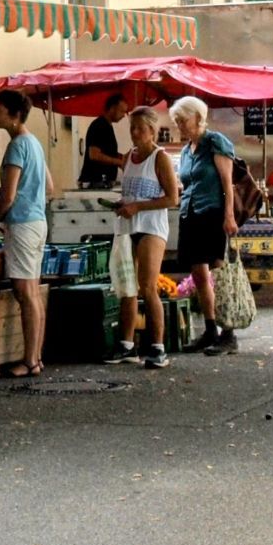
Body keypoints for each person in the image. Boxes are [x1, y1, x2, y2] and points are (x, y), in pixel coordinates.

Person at [104, 106, 180, 369]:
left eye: (139, 128)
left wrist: (138, 207)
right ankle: (126, 344)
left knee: (147, 286)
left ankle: (157, 347)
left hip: (151, 227)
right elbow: (131, 192)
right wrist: (123, 204)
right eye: (131, 128)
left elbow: (172, 198)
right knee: (127, 288)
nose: (134, 133)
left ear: (152, 131)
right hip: (127, 226)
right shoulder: (128, 158)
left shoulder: (160, 158)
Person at [171, 95, 239, 356]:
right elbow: (186, 183)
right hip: (190, 214)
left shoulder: (215, 142)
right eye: (177, 121)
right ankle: (210, 328)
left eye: (182, 120)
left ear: (198, 118)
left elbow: (226, 182)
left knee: (219, 273)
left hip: (212, 212)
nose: (179, 125)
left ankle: (228, 333)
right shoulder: (187, 151)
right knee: (199, 273)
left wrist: (229, 215)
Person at [0, 90, 52, 378]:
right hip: (38, 221)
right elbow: (49, 185)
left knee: (25, 292)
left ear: (14, 115)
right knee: (32, 292)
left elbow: (9, 195)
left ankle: (30, 360)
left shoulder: (17, 146)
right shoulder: (35, 144)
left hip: (22, 223)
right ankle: (35, 357)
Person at [80, 93, 129, 189]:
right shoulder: (99, 125)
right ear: (112, 108)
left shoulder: (107, 126)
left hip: (103, 182)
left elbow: (108, 152)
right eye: (122, 111)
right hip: (95, 182)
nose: (124, 116)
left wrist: (125, 157)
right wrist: (119, 162)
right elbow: (94, 155)